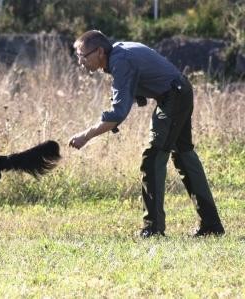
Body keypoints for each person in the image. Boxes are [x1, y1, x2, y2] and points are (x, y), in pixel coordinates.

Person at [68, 30, 224, 238]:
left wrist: (85, 136)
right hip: (178, 91)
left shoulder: (120, 61)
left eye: (83, 56)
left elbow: (118, 113)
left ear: (99, 52)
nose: (81, 62)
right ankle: (211, 225)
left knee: (152, 158)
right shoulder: (119, 53)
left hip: (173, 96)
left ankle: (153, 228)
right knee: (184, 156)